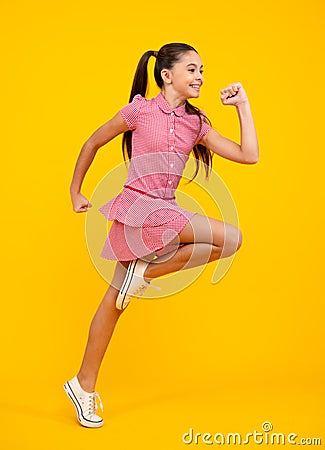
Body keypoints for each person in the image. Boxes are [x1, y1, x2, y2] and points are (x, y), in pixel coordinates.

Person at [64, 42, 259, 428]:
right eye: (191, 69)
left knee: (114, 302)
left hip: (164, 212)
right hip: (137, 209)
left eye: (202, 69)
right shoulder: (139, 110)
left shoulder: (196, 123)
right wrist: (75, 190)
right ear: (167, 75)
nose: (200, 76)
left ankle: (82, 384)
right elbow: (93, 141)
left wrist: (242, 105)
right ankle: (143, 279)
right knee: (230, 237)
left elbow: (248, 155)